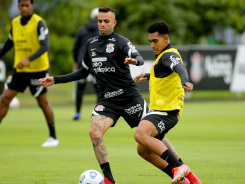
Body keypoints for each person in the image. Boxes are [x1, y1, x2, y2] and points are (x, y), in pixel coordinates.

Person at [39, 7, 186, 184]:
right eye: (100, 21)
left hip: (130, 98)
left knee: (156, 137)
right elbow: (83, 73)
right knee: (94, 132)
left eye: (106, 21)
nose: (102, 24)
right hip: (107, 101)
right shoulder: (91, 44)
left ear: (114, 23)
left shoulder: (121, 42)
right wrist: (55, 79)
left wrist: (135, 61)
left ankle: (182, 170)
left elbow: (138, 57)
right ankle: (109, 179)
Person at [134, 21, 202, 184]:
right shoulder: (162, 58)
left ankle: (178, 168)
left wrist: (185, 80)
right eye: (150, 41)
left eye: (155, 41)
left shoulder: (168, 54)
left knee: (141, 134)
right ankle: (188, 179)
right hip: (163, 110)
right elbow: (166, 74)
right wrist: (148, 75)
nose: (152, 45)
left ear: (166, 38)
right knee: (143, 149)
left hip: (166, 110)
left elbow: (179, 67)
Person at [0, 0, 59, 147]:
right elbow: (9, 42)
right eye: (22, 5)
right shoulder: (14, 23)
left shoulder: (39, 23)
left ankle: (53, 137)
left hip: (38, 70)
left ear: (32, 6)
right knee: (5, 98)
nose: (24, 8)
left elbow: (45, 46)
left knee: (42, 102)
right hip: (19, 70)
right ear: (19, 6)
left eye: (27, 5)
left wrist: (28, 60)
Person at [72, 8, 99, 120]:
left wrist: (76, 61)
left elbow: (75, 48)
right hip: (96, 64)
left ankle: (78, 112)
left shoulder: (82, 30)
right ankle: (98, 113)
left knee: (80, 88)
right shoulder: (102, 31)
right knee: (99, 89)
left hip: (82, 63)